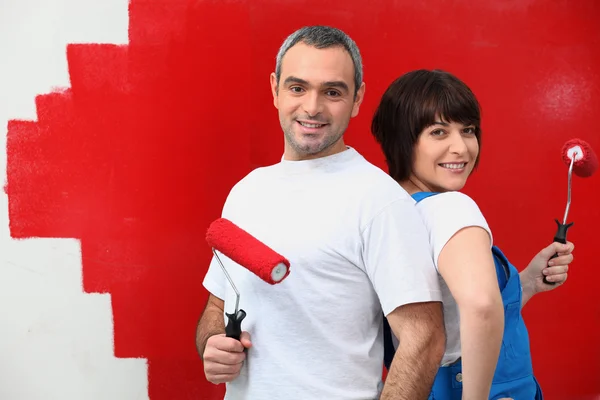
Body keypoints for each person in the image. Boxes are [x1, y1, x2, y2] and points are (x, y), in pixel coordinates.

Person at [195, 26, 446, 399]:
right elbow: (218, 304)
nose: (312, 107)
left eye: (332, 92)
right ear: (275, 89)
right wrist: (213, 343)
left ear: (357, 99)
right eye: (298, 88)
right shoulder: (247, 192)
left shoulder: (379, 200)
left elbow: (423, 338)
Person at [371, 69, 575, 400]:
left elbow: (444, 320)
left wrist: (525, 284)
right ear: (401, 139)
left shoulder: (392, 213)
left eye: (467, 130)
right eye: (438, 132)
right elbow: (480, 307)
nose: (462, 148)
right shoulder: (450, 208)